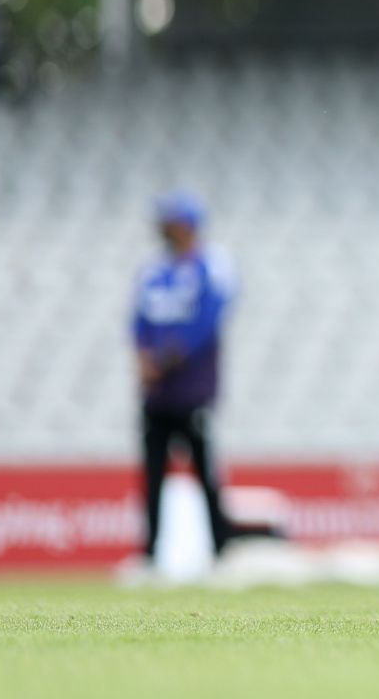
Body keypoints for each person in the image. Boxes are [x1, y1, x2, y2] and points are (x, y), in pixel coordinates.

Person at [130, 190, 236, 578]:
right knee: (153, 475)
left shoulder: (211, 266)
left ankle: (222, 551)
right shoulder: (152, 271)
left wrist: (166, 359)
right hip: (156, 395)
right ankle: (150, 556)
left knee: (205, 473)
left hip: (191, 391)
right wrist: (144, 361)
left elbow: (206, 323)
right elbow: (137, 323)